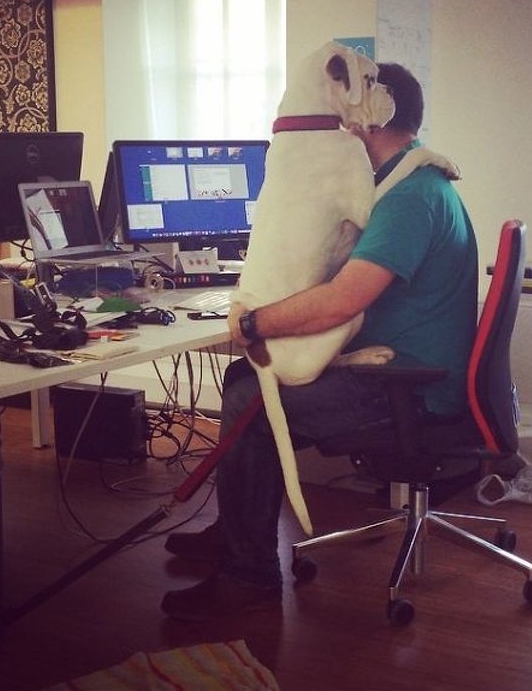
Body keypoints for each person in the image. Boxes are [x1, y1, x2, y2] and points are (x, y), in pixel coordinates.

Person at [160, 63, 479, 621]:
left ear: (371, 116)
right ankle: (235, 532)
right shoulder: (414, 181)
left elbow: (340, 301)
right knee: (243, 376)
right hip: (404, 368)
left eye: (345, 112)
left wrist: (254, 323)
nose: (340, 125)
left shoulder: (411, 197)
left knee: (249, 401)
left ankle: (249, 576)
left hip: (410, 387)